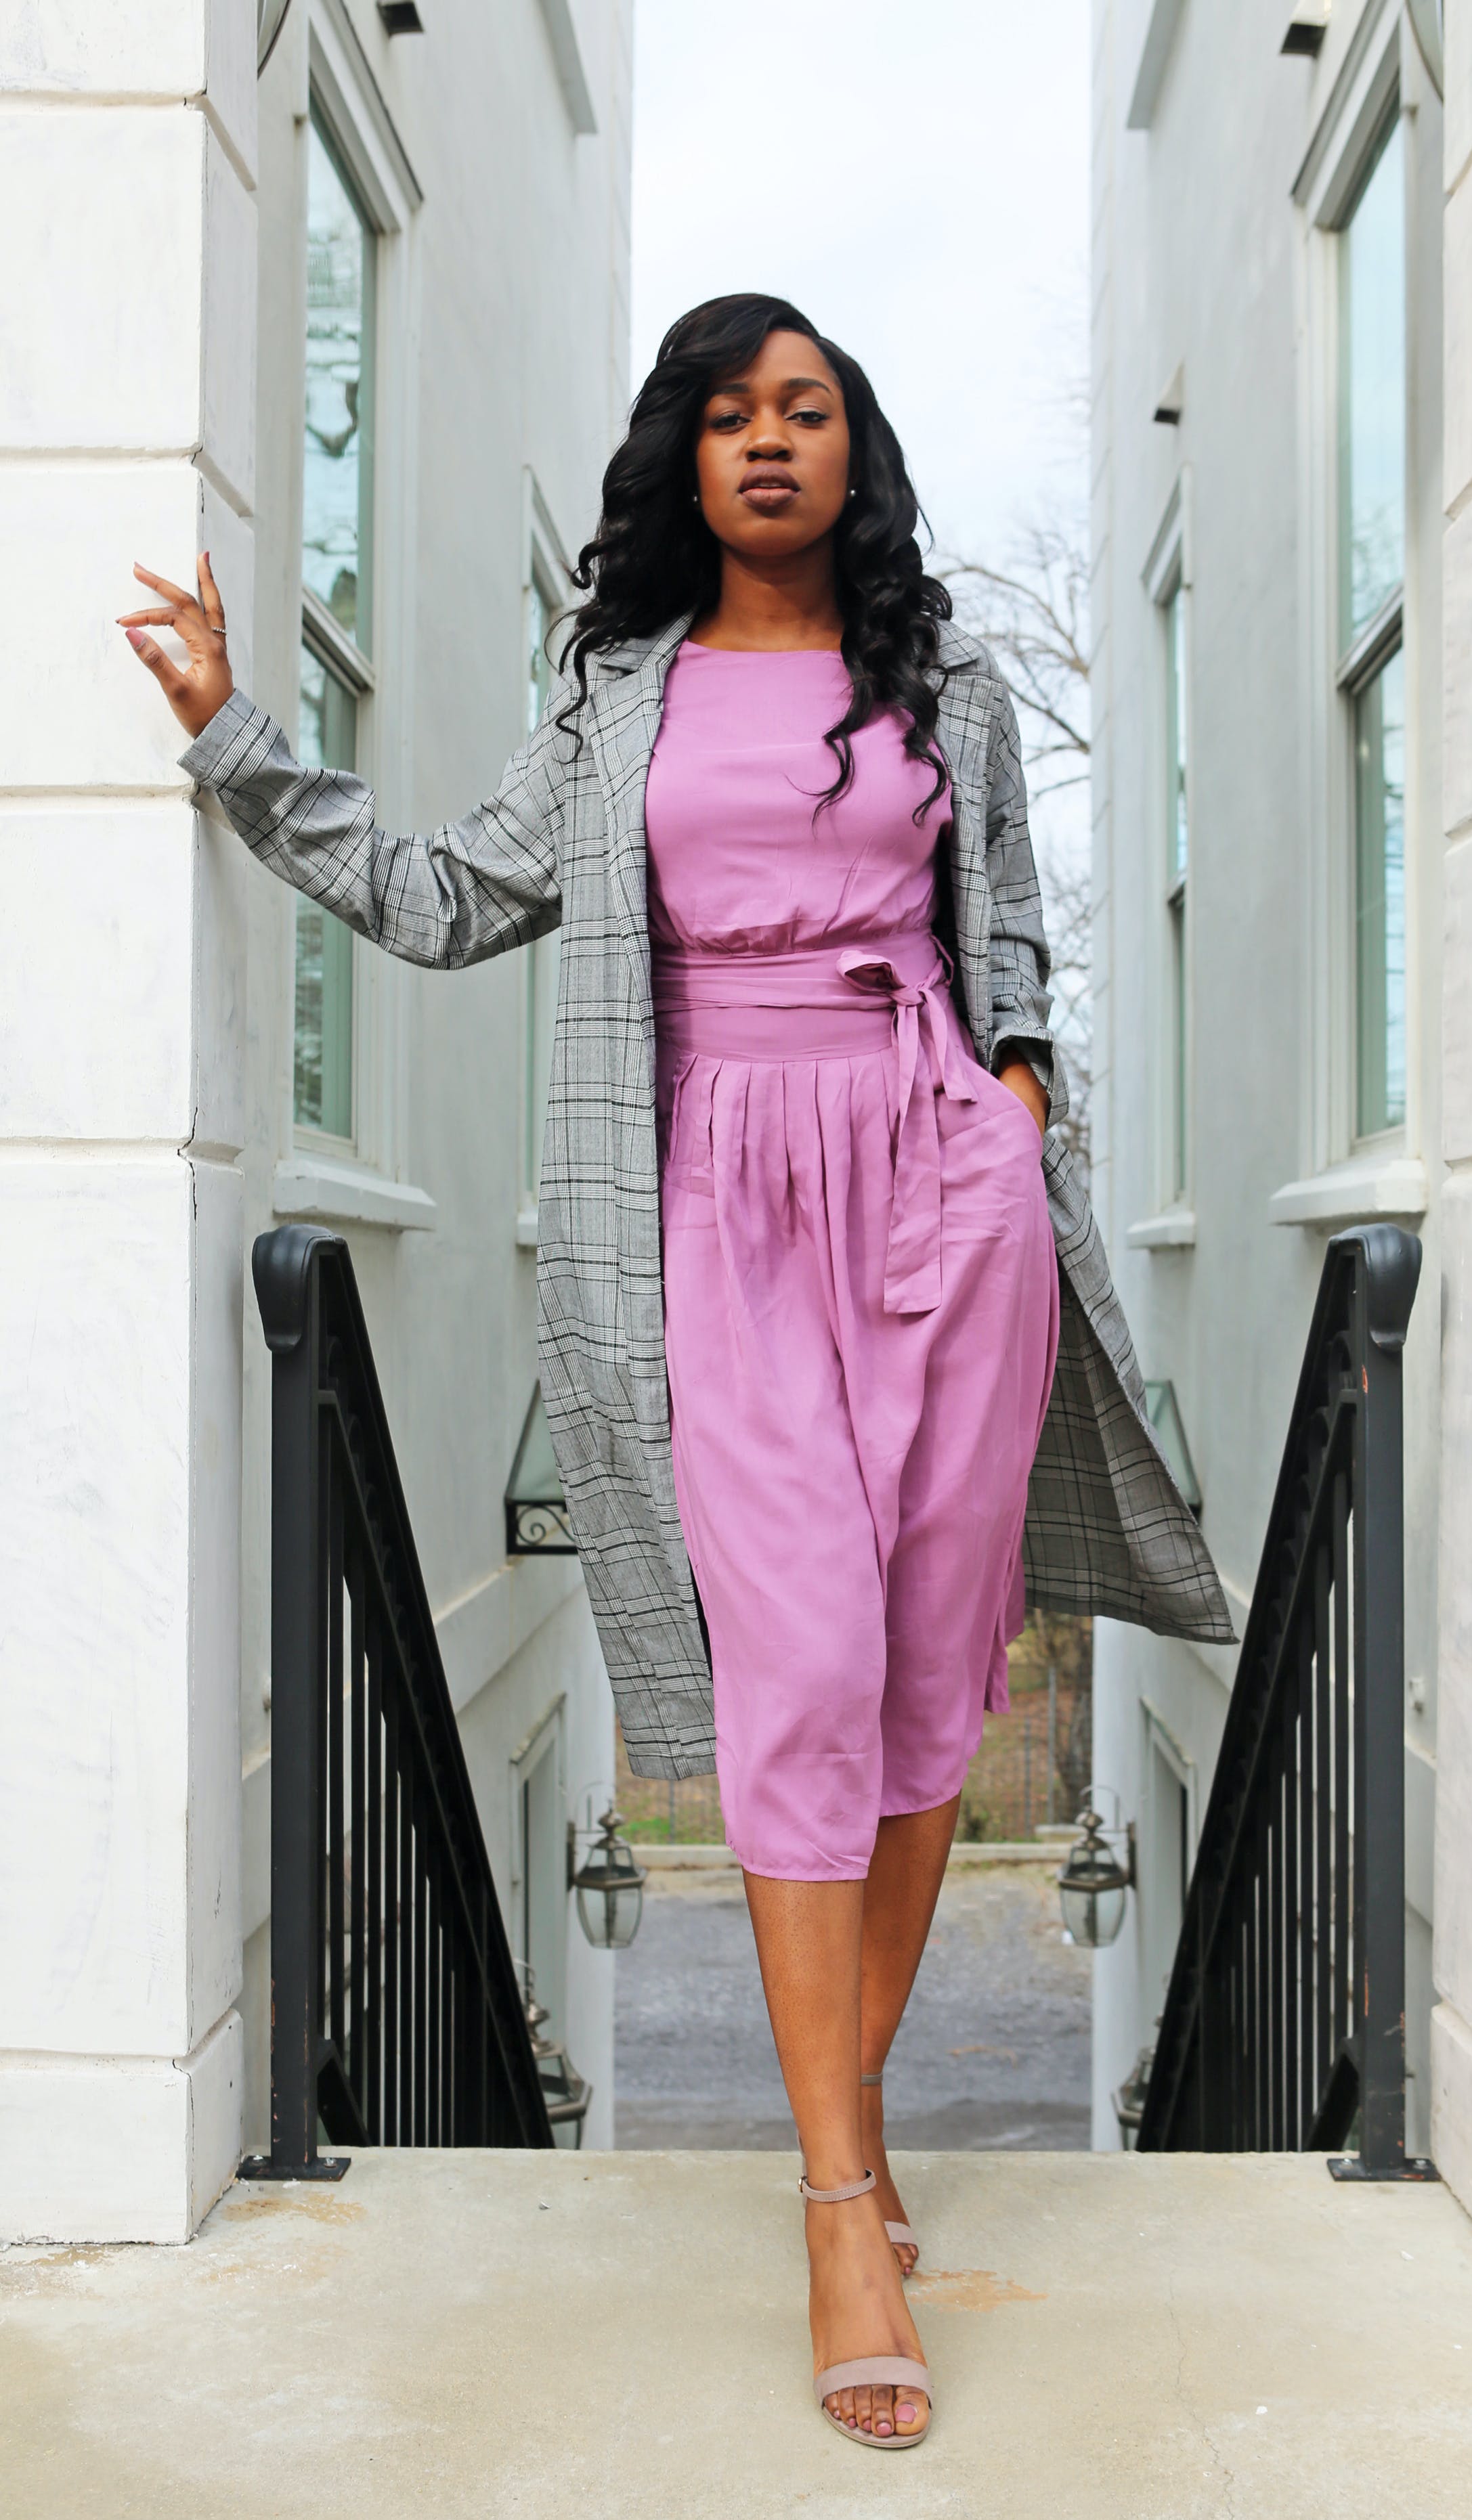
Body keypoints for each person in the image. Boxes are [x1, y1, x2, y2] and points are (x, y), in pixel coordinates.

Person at [121, 292, 1230, 2451]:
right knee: (793, 1661)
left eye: (805, 409)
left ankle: (852, 2136)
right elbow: (444, 901)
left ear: (851, 450)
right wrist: (236, 730)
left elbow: (1007, 935)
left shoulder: (951, 685)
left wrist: (1014, 1094)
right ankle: (836, 2196)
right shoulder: (616, 703)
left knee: (929, 1678)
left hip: (939, 1185)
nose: (768, 440)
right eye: (729, 413)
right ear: (680, 458)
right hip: (713, 1193)